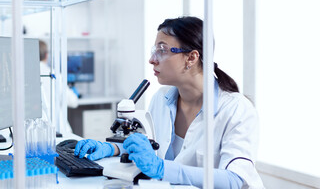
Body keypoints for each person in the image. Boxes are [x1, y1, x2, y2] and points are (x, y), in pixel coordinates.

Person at [73, 17, 264, 188]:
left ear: (191, 57)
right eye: (154, 50)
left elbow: (234, 180)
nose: (152, 60)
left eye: (161, 50)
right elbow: (150, 148)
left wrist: (162, 168)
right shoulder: (162, 99)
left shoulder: (236, 109)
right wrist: (113, 148)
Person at [39, 40, 79, 122]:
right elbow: (73, 102)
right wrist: (73, 90)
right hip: (55, 126)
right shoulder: (53, 73)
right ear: (46, 55)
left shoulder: (22, 75)